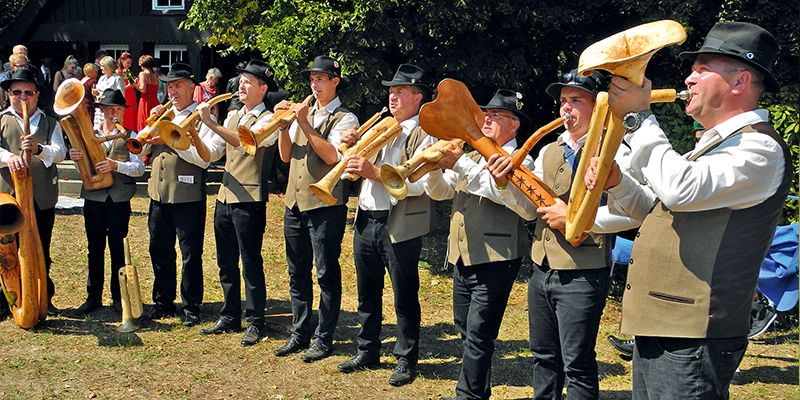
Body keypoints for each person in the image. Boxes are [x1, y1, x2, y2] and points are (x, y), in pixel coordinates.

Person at [586, 21, 790, 399]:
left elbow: (680, 190)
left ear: (740, 82)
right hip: (665, 325)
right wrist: (617, 182)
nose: (688, 79)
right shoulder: (711, 147)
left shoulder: (760, 149)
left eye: (701, 69)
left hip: (694, 333)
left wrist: (638, 117)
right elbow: (655, 210)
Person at [527, 69, 640, 399]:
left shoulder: (617, 150)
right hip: (541, 268)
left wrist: (577, 221)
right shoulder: (549, 151)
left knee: (577, 363)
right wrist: (505, 182)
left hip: (583, 273)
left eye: (576, 100)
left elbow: (630, 216)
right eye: (563, 101)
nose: (566, 108)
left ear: (598, 107)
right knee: (544, 358)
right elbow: (525, 205)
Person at [424, 89, 536, 400]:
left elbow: (514, 201)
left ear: (514, 125)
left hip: (497, 256)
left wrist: (459, 164)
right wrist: (434, 168)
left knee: (479, 333)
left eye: (496, 115)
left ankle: (468, 395)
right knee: (464, 326)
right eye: (485, 113)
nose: (486, 118)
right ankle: (478, 390)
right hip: (462, 253)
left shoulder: (521, 159)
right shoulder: (472, 154)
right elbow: (441, 193)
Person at [336, 64, 434, 386]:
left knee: (404, 294)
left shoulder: (427, 134)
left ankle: (406, 359)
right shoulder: (380, 126)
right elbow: (351, 165)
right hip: (366, 218)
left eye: (400, 92)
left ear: (418, 97)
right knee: (367, 290)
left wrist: (372, 172)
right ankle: (368, 349)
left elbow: (419, 185)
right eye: (391, 92)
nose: (392, 97)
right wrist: (350, 145)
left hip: (400, 223)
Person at [272, 55, 358, 362]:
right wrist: (283, 126)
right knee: (297, 271)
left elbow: (332, 156)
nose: (314, 84)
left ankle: (325, 337)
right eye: (312, 79)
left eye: (320, 79)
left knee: (325, 272)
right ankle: (300, 331)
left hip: (325, 205)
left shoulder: (346, 119)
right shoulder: (302, 114)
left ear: (335, 81)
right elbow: (285, 157)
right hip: (295, 203)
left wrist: (304, 122)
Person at [138, 62, 226, 327]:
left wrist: (172, 141)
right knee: (159, 250)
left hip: (187, 195)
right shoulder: (161, 115)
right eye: (169, 86)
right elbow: (141, 150)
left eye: (177, 85)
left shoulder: (204, 119)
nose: (172, 91)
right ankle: (163, 302)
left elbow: (204, 159)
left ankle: (191, 306)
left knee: (190, 254)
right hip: (158, 194)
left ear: (192, 88)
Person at [197, 60, 277, 346]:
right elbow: (213, 153)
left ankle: (256, 320)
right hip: (224, 197)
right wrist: (191, 136)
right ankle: (230, 314)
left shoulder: (269, 119)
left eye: (248, 83)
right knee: (225, 260)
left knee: (250, 261)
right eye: (240, 81)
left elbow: (247, 142)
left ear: (262, 89)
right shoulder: (232, 116)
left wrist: (210, 123)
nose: (240, 86)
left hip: (249, 199)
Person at [69, 89, 145, 315]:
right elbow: (81, 170)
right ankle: (93, 297)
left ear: (123, 112)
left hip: (119, 199)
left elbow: (140, 168)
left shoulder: (132, 135)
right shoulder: (87, 134)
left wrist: (116, 166)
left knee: (117, 248)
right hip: (94, 198)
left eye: (118, 109)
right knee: (94, 248)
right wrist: (76, 160)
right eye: (109, 108)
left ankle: (118, 296)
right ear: (101, 111)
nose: (114, 113)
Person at [0, 68, 66, 316]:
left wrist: (39, 149)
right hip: (9, 197)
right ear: (9, 94)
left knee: (41, 248)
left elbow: (60, 152)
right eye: (17, 92)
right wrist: (9, 157)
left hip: (41, 196)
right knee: (7, 250)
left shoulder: (49, 122)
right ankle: (8, 300)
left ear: (37, 95)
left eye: (28, 92)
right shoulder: (1, 119)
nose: (23, 97)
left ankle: (43, 298)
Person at [94, 56, 125, 126]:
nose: (100, 68)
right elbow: (98, 93)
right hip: (100, 108)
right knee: (98, 129)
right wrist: (96, 93)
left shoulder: (117, 79)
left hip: (111, 110)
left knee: (111, 130)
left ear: (108, 66)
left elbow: (121, 97)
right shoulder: (101, 78)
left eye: (102, 66)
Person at [135, 55, 160, 132]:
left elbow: (143, 90)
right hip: (155, 101)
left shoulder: (143, 74)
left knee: (144, 125)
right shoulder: (155, 75)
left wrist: (134, 84)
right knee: (153, 125)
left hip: (145, 102)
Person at [116, 52, 138, 132]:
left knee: (132, 116)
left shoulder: (127, 71)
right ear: (122, 61)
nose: (130, 65)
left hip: (131, 95)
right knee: (125, 116)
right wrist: (128, 87)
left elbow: (131, 83)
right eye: (128, 63)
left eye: (130, 63)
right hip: (125, 96)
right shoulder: (118, 72)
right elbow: (117, 88)